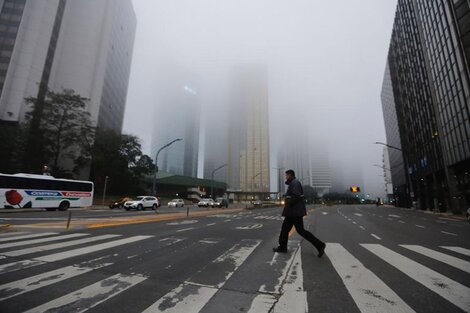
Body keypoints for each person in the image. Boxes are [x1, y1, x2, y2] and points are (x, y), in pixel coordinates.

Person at [273, 169, 326, 258]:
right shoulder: (293, 183)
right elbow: (293, 196)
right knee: (288, 230)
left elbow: (296, 196)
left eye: (286, 175)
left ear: (290, 175)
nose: (285, 177)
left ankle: (320, 245)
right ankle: (282, 247)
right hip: (293, 212)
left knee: (297, 230)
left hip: (294, 212)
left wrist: (289, 204)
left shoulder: (295, 183)